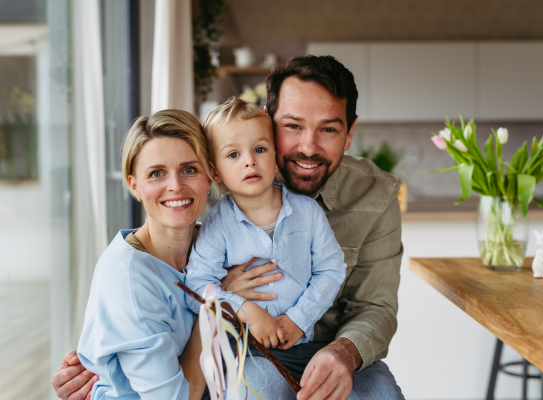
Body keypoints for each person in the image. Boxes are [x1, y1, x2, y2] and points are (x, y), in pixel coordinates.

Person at [53, 55, 404, 400]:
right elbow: (154, 275)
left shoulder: (376, 196)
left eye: (328, 128)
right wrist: (109, 356)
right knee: (259, 387)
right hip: (240, 354)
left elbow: (375, 306)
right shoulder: (230, 177)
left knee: (383, 394)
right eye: (293, 126)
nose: (308, 147)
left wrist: (343, 352)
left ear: (349, 133)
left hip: (328, 348)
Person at [185, 97, 346, 381]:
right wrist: (245, 309)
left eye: (260, 149)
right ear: (215, 171)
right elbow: (198, 287)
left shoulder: (307, 212)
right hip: (240, 347)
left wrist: (299, 318)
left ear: (275, 156)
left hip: (299, 346)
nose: (250, 161)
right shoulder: (217, 223)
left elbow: (331, 270)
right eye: (233, 155)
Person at [75, 110, 212, 400]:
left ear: (210, 175)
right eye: (156, 173)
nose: (175, 185)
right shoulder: (127, 278)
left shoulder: (217, 247)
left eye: (189, 169)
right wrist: (214, 310)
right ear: (134, 185)